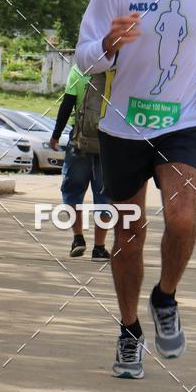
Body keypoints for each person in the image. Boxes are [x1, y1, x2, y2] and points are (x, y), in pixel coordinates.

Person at [76, 0, 196, 379]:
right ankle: (128, 330)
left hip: (180, 121)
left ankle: (165, 296)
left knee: (181, 217)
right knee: (129, 232)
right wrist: (109, 44)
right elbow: (84, 58)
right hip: (122, 126)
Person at [49, 64, 111, 260]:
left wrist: (56, 135)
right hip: (109, 143)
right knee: (105, 196)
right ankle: (99, 247)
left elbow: (67, 104)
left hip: (80, 141)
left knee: (72, 190)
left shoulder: (79, 70)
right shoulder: (117, 70)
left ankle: (78, 238)